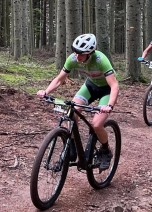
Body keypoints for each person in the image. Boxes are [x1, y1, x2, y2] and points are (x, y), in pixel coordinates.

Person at [37, 33, 119, 171]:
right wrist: (46, 91)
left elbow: (114, 86)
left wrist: (109, 105)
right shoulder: (73, 59)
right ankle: (72, 146)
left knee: (96, 125)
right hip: (90, 86)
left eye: (81, 54)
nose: (77, 56)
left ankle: (106, 150)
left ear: (89, 53)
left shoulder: (101, 60)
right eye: (75, 52)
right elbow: (59, 79)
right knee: (72, 111)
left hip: (106, 90)